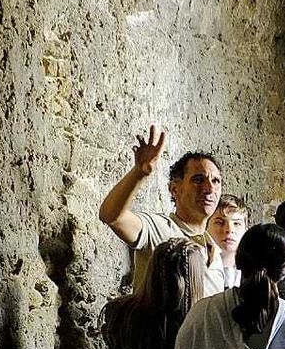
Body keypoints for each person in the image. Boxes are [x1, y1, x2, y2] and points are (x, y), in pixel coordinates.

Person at [97, 124, 226, 299]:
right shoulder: (156, 228)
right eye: (198, 179)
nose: (209, 188)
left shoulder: (216, 253)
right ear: (175, 189)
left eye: (216, 181)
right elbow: (111, 216)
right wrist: (138, 173)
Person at [208, 194, 249, 289]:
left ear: (246, 230)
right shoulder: (198, 266)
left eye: (237, 223)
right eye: (220, 222)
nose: (229, 229)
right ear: (206, 226)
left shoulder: (253, 274)